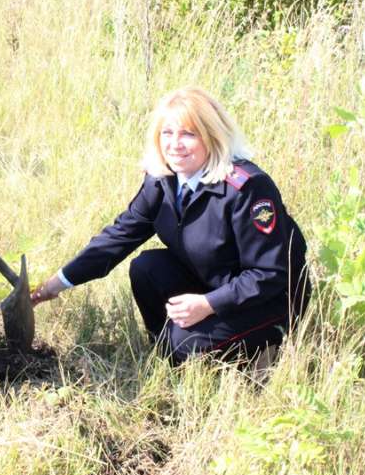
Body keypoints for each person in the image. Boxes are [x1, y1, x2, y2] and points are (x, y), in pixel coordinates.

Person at [32, 87, 310, 364]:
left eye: (188, 134)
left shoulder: (247, 188)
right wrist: (55, 284)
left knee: (184, 343)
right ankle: (173, 355)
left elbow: (269, 274)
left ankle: (246, 356)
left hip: (268, 302)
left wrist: (208, 304)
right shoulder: (162, 180)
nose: (175, 144)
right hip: (212, 282)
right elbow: (119, 237)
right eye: (167, 133)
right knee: (146, 267)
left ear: (212, 137)